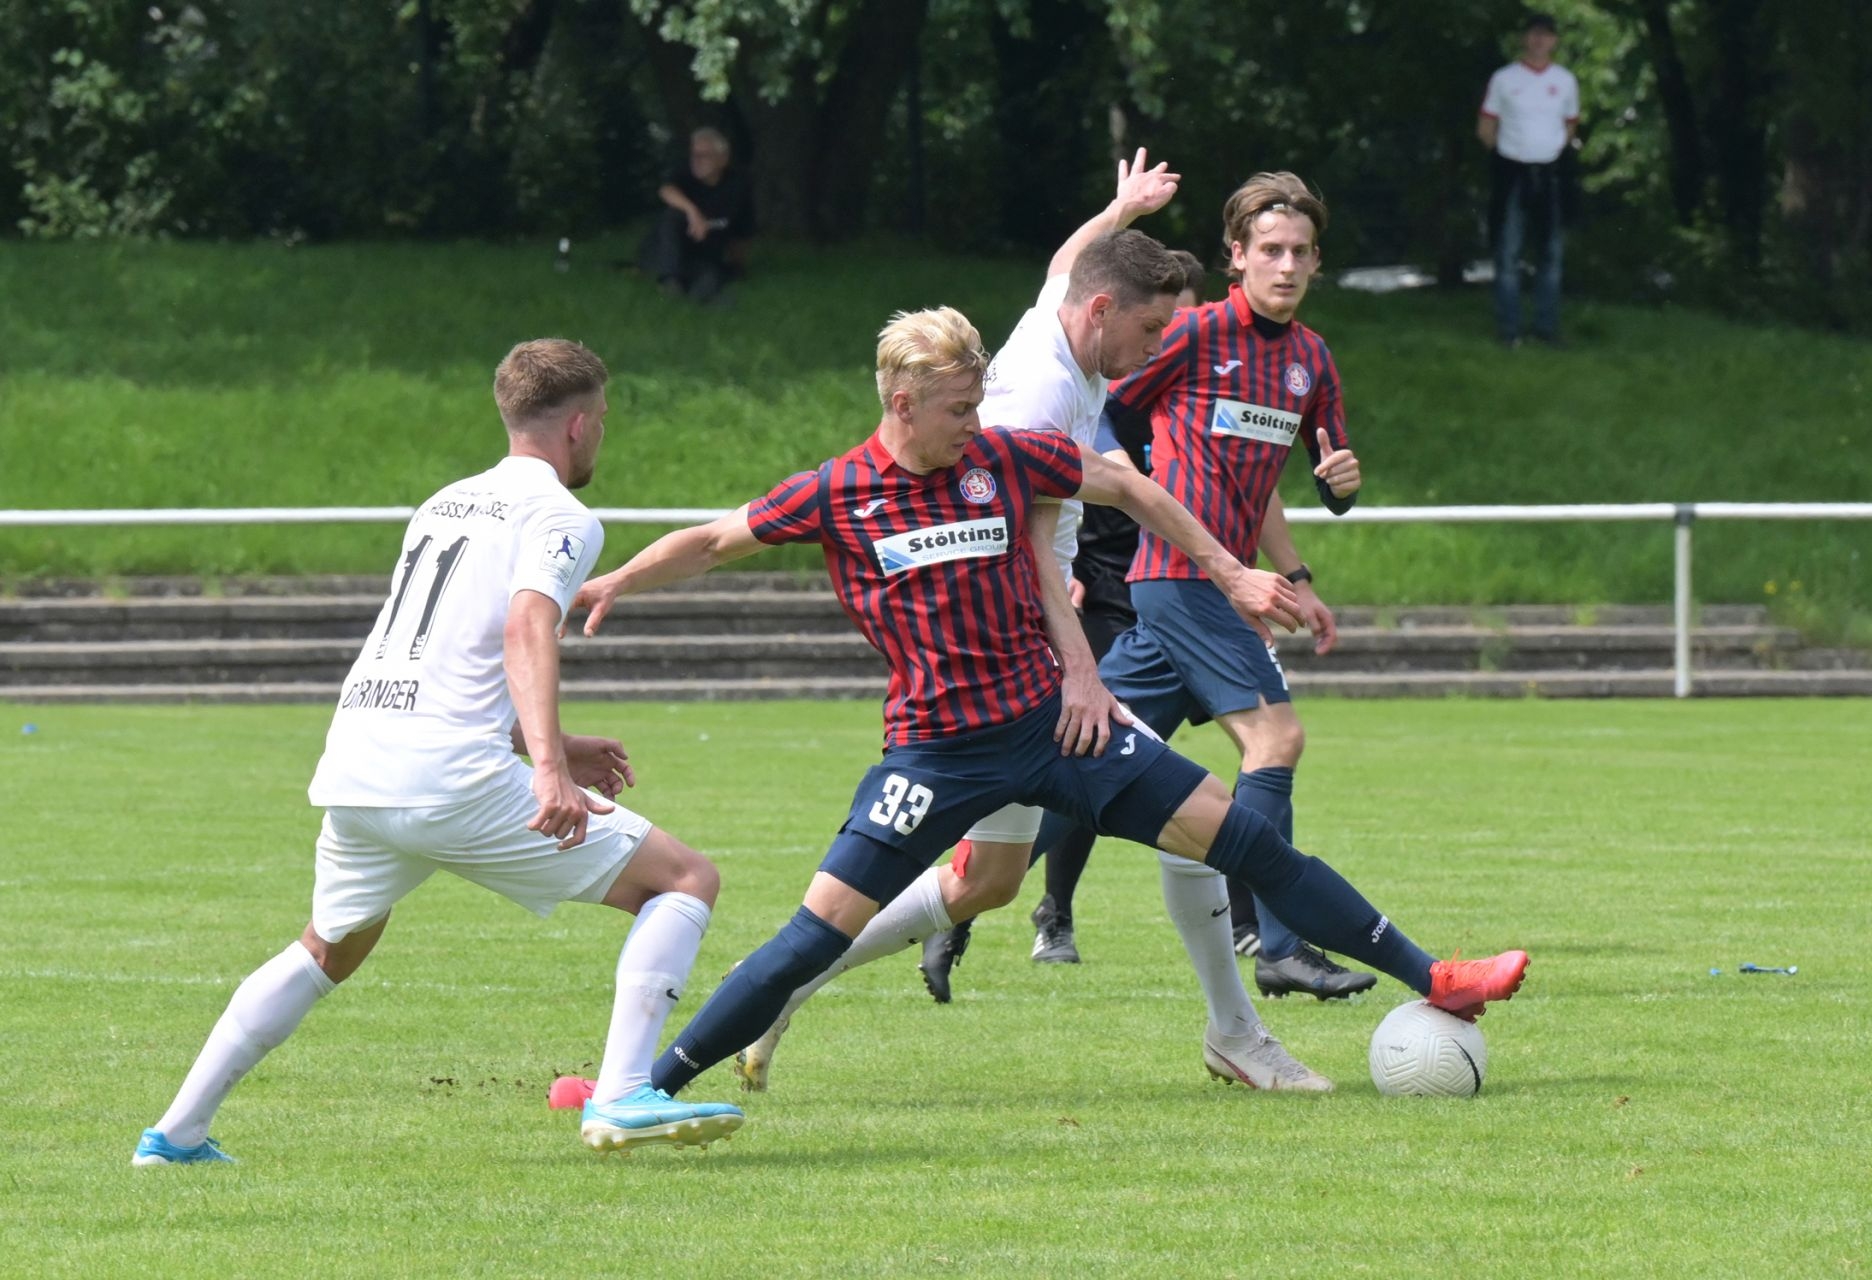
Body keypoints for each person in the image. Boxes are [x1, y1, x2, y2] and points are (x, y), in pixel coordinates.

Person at [564, 306, 1529, 1116]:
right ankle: (645, 1088)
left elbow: (1125, 483)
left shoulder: (1004, 458)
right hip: (935, 757)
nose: (973, 420)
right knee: (809, 936)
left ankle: (1437, 976)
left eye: (979, 400)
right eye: (955, 407)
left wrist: (1231, 569)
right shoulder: (840, 491)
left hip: (1063, 728)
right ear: (900, 403)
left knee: (1250, 845)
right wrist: (617, 580)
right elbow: (710, 539)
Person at [131, 340, 745, 1166]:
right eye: (600, 422)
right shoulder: (563, 516)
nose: (600, 436)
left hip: (359, 760)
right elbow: (525, 626)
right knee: (684, 881)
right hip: (448, 775)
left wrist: (550, 741)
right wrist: (549, 771)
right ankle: (625, 1092)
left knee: (329, 946)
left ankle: (175, 1134)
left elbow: (446, 653)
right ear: (578, 425)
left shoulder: (446, 502)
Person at [1011, 171, 1378, 1013]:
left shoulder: (1311, 360)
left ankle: (952, 894)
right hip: (1184, 576)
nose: (1285, 266)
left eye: (1300, 253)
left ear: (1317, 262)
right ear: (1238, 256)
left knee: (1082, 764)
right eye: (1269, 251)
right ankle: (1282, 944)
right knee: (1275, 740)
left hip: (1207, 581)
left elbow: (1292, 480)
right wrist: (1124, 502)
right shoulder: (1190, 332)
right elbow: (1103, 410)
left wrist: (1324, 522)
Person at [928, 248, 1207, 975]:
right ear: (1103, 311)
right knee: (1206, 818)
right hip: (1016, 649)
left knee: (985, 879)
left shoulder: (1054, 317)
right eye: (1151, 328)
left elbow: (1062, 259)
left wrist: (1123, 211)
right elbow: (1033, 542)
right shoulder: (1046, 394)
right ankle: (1245, 1026)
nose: (1157, 347)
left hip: (1024, 633)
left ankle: (781, 994)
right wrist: (1078, 671)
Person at [1478, 12, 1580, 347]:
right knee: (1508, 253)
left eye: (1546, 35)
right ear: (1525, 38)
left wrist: (1549, 151)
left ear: (1554, 41)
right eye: (1534, 34)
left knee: (1550, 255)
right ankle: (1509, 331)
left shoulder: (1565, 81)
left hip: (1549, 173)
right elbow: (1486, 126)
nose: (1539, 40)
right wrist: (1508, 155)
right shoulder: (1504, 79)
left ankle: (1546, 329)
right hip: (1512, 172)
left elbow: (1570, 124)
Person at [650, 127, 757, 304]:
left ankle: (699, 301)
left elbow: (742, 231)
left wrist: (738, 265)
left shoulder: (737, 187)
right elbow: (666, 190)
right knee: (673, 215)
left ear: (722, 159)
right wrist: (692, 211)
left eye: (704, 155)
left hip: (706, 255)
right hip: (674, 252)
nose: (696, 160)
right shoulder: (685, 176)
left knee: (709, 279)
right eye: (694, 155)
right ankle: (670, 281)